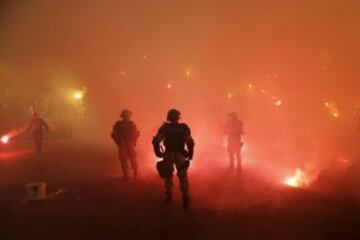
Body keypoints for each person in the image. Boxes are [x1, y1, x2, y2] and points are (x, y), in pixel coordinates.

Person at [152, 109, 194, 208]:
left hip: (168, 154)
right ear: (178, 117)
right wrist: (190, 154)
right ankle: (185, 196)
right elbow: (190, 142)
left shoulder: (165, 127)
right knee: (182, 175)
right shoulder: (184, 127)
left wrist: (158, 152)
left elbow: (156, 140)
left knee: (168, 175)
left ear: (169, 117)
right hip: (180, 154)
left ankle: (169, 195)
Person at [111, 109, 140, 180]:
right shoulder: (118, 124)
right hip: (122, 144)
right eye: (125, 116)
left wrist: (133, 142)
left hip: (129, 143)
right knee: (123, 160)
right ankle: (126, 175)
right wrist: (119, 142)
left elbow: (136, 134)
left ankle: (135, 173)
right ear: (123, 116)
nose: (126, 117)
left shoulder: (131, 124)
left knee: (133, 159)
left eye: (127, 116)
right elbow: (114, 134)